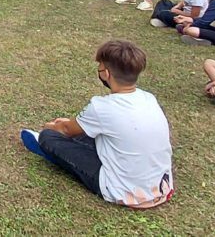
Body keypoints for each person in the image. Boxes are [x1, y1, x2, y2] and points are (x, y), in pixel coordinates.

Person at [20, 40, 174, 209]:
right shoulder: (148, 98)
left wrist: (52, 127)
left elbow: (65, 130)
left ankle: (45, 145)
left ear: (106, 73)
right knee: (91, 134)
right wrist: (72, 125)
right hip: (161, 188)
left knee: (48, 137)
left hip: (121, 191)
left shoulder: (102, 107)